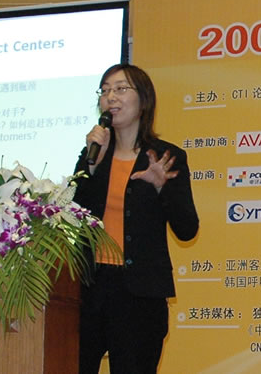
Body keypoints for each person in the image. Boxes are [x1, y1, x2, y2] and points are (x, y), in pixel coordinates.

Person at [73, 63, 199, 374]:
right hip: (88, 289)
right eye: (104, 91)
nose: (110, 97)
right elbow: (72, 216)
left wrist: (161, 188)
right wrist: (91, 169)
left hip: (139, 295)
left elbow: (187, 229)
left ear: (143, 99)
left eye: (120, 89)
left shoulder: (166, 158)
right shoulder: (92, 154)